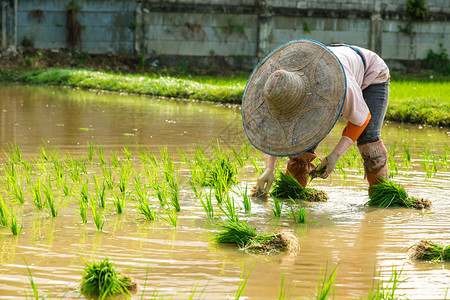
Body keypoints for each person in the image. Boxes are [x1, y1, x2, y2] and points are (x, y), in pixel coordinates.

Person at [241, 39, 390, 196]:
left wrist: (334, 156)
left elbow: (361, 118)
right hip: (324, 69)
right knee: (301, 146)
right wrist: (269, 169)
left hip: (371, 74)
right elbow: (279, 128)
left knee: (369, 141)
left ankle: (382, 196)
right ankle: (293, 196)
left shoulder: (340, 86)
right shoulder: (281, 85)